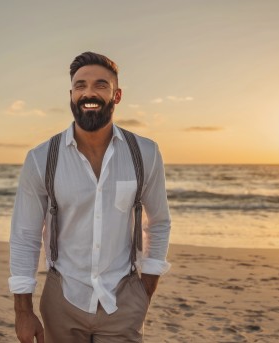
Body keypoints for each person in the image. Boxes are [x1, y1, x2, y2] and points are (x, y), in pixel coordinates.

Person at [9, 51, 171, 343]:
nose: (89, 92)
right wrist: (23, 310)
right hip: (62, 300)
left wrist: (147, 285)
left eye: (100, 85)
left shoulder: (145, 153)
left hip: (124, 299)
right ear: (71, 95)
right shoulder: (41, 158)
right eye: (80, 86)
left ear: (117, 95)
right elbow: (25, 235)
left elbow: (158, 222)